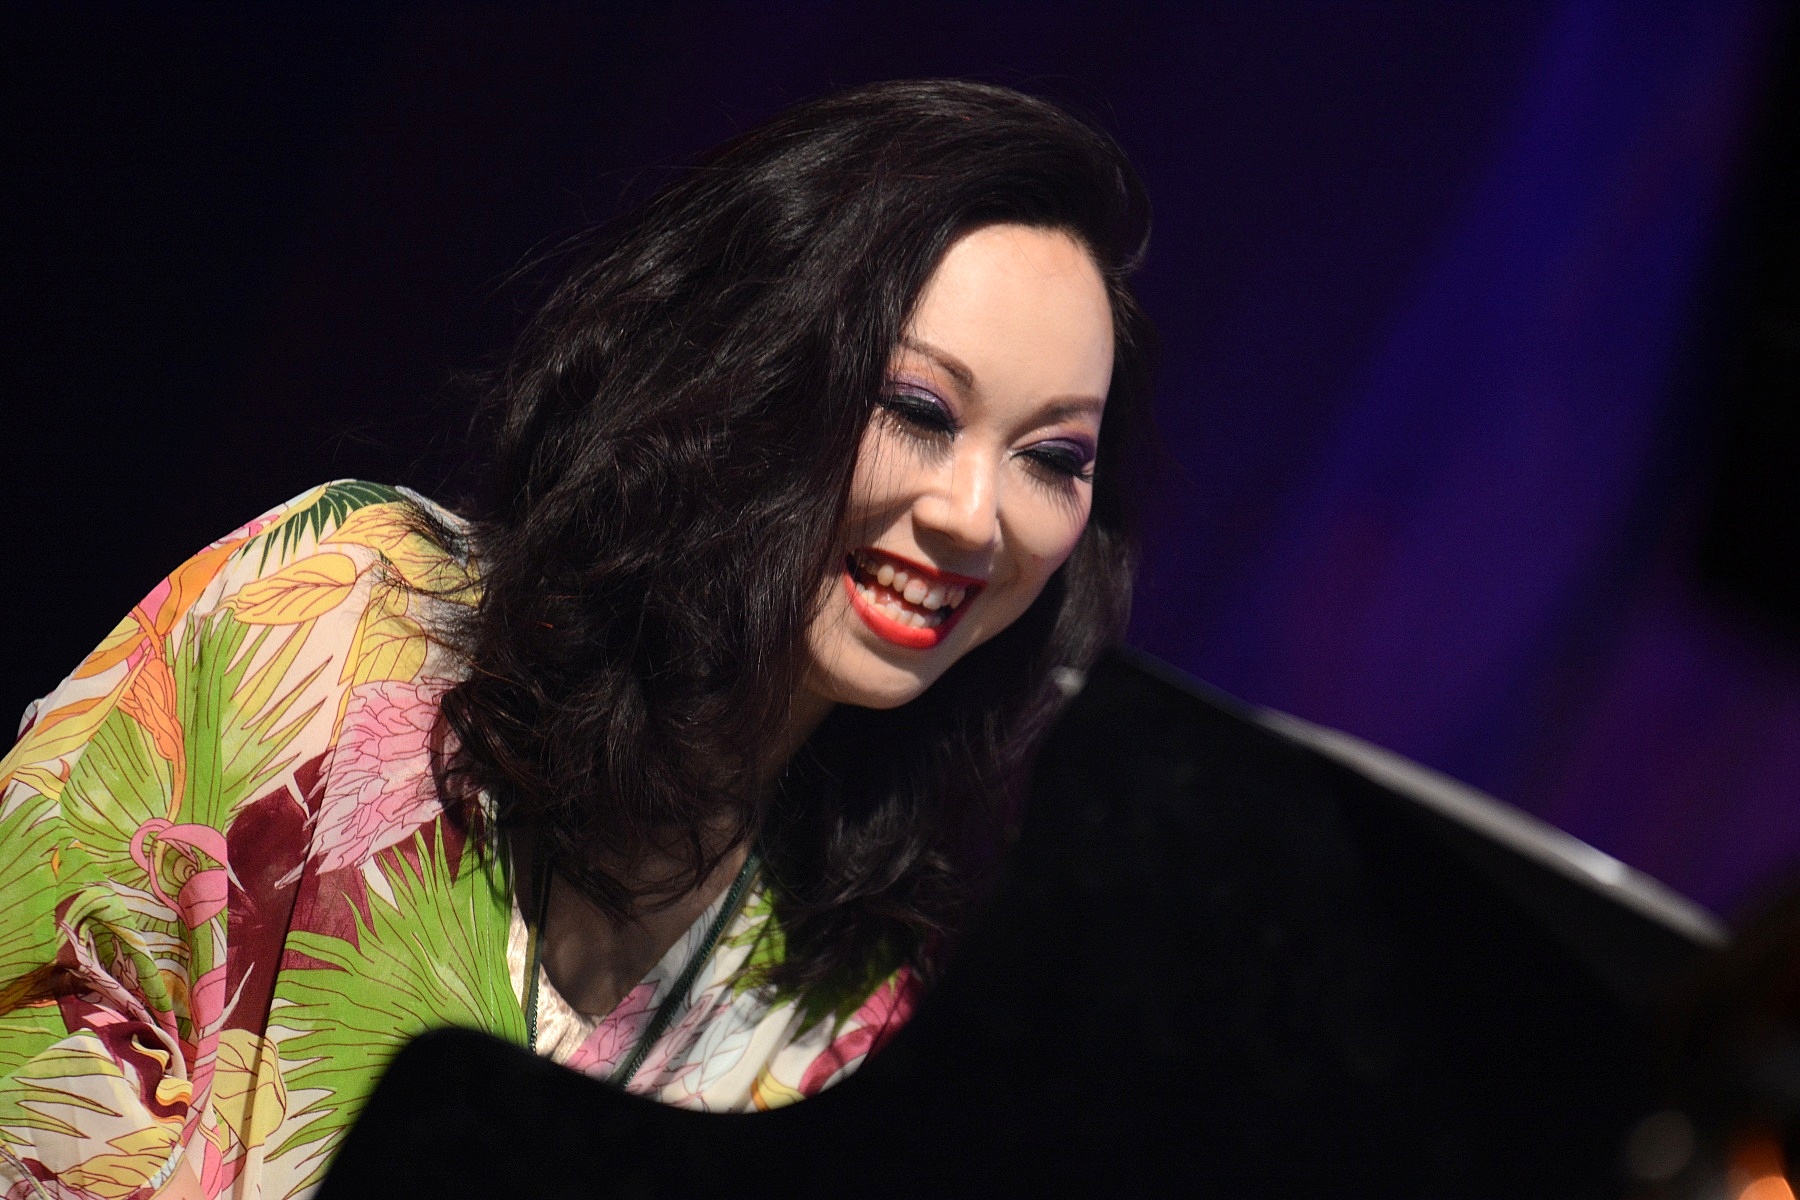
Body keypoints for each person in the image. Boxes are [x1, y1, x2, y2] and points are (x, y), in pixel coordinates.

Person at [0, 79, 1154, 1198]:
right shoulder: (344, 607)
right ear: (746, 371)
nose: (975, 517)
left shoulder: (864, 989)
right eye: (917, 408)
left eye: (1053, 457)